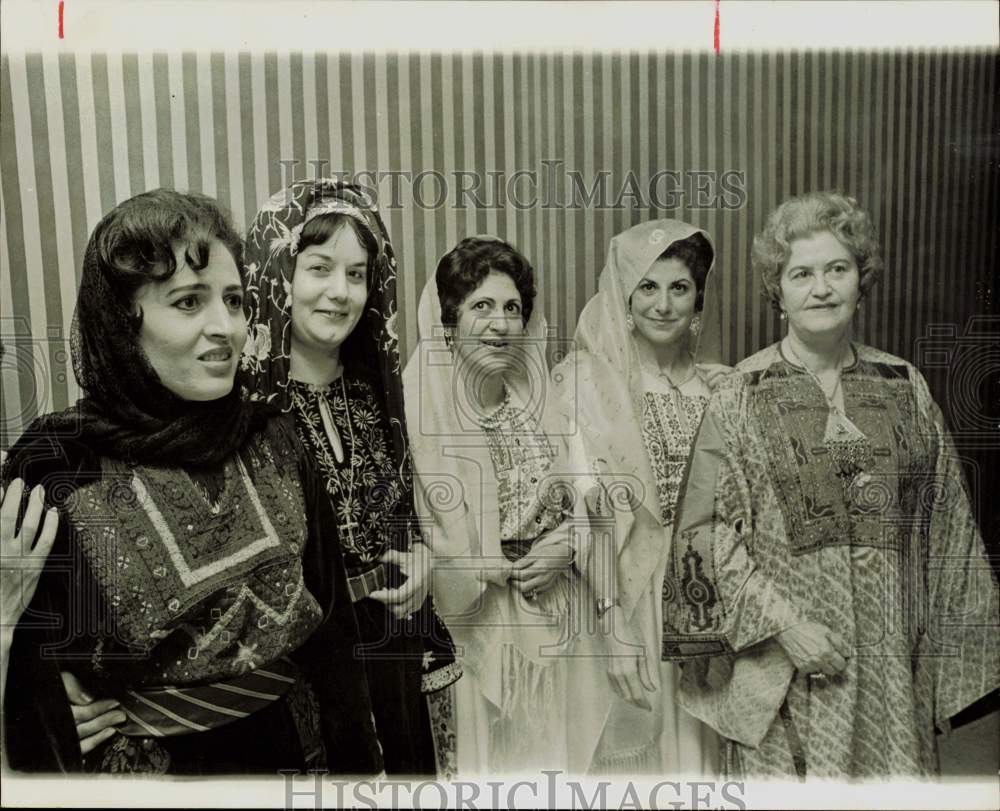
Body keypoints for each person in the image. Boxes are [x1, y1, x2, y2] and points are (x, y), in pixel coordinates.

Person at [1, 189, 382, 775]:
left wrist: (362, 775)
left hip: (296, 763)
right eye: (187, 302)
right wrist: (40, 723)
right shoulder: (57, 463)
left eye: (233, 300)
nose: (225, 327)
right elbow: (29, 663)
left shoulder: (275, 438)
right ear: (121, 323)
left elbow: (334, 637)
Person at [661, 191, 999, 780]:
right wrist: (786, 627)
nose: (821, 288)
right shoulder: (739, 394)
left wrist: (941, 660)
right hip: (791, 670)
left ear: (860, 280)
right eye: (802, 274)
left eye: (837, 269)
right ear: (778, 291)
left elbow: (949, 528)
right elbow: (703, 534)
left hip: (893, 674)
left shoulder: (905, 385)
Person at [239, 179, 459, 776]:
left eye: (357, 274)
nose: (340, 292)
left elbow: (399, 514)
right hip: (303, 672)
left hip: (394, 646)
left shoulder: (376, 392)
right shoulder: (243, 411)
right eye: (319, 268)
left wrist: (423, 558)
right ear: (275, 275)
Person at [403, 236, 612, 775]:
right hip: (472, 634)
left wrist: (566, 547)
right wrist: (487, 563)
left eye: (512, 309)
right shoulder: (417, 418)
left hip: (560, 623)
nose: (500, 324)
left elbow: (591, 502)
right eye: (481, 307)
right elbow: (414, 537)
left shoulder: (542, 405)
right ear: (449, 323)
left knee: (554, 769)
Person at [551, 219, 723, 775]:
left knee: (698, 758)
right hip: (622, 597)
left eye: (680, 288)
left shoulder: (722, 388)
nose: (664, 304)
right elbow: (586, 512)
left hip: (706, 601)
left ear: (698, 299)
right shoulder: (586, 384)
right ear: (624, 296)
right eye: (648, 287)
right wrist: (613, 627)